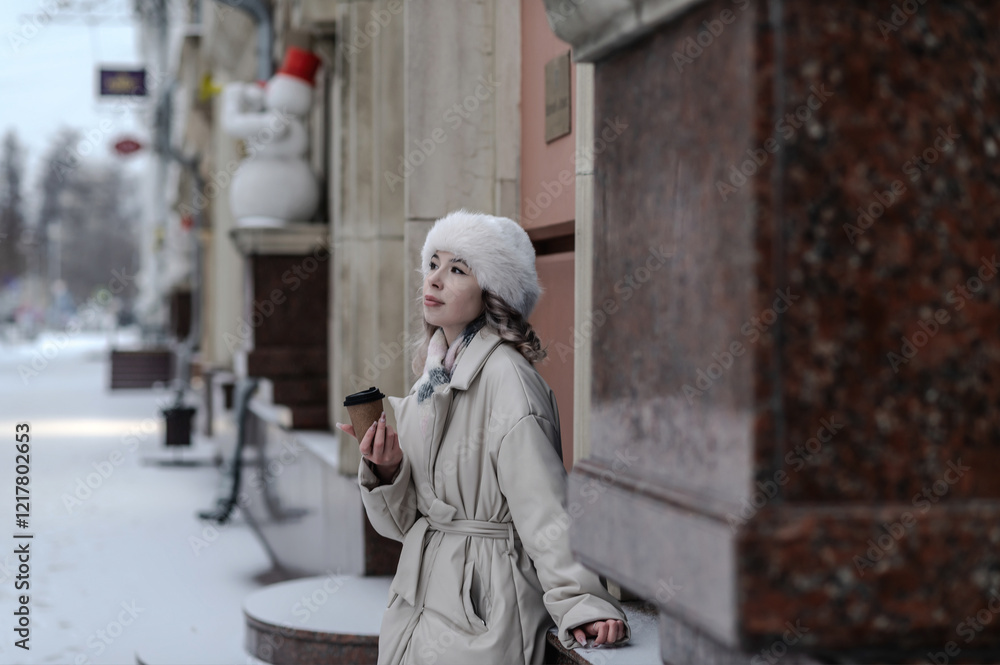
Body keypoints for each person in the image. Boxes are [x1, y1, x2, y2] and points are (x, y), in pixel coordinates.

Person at [336, 209, 630, 665]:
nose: (433, 280)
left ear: (493, 294)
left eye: (457, 270)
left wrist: (580, 603)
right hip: (422, 599)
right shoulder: (431, 381)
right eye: (433, 263)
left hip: (484, 605)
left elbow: (545, 510)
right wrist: (387, 468)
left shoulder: (508, 380)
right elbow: (402, 526)